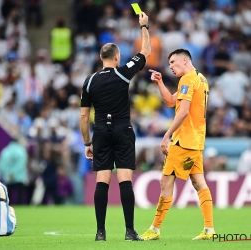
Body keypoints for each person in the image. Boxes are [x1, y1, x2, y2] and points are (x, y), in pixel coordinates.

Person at [80, 12, 151, 241]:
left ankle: (100, 233)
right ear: (117, 57)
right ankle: (129, 231)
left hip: (100, 132)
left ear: (102, 57)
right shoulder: (123, 72)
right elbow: (145, 52)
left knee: (102, 181)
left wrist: (87, 143)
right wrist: (144, 26)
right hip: (122, 130)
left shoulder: (90, 81)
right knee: (125, 181)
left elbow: (83, 117)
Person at [140, 49, 216, 241]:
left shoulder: (187, 80)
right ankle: (209, 230)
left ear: (185, 60)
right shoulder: (201, 79)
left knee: (166, 182)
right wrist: (159, 82)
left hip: (183, 141)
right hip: (196, 140)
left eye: (173, 62)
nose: (171, 67)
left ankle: (154, 229)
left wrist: (166, 135)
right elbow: (171, 102)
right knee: (199, 183)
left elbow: (182, 112)